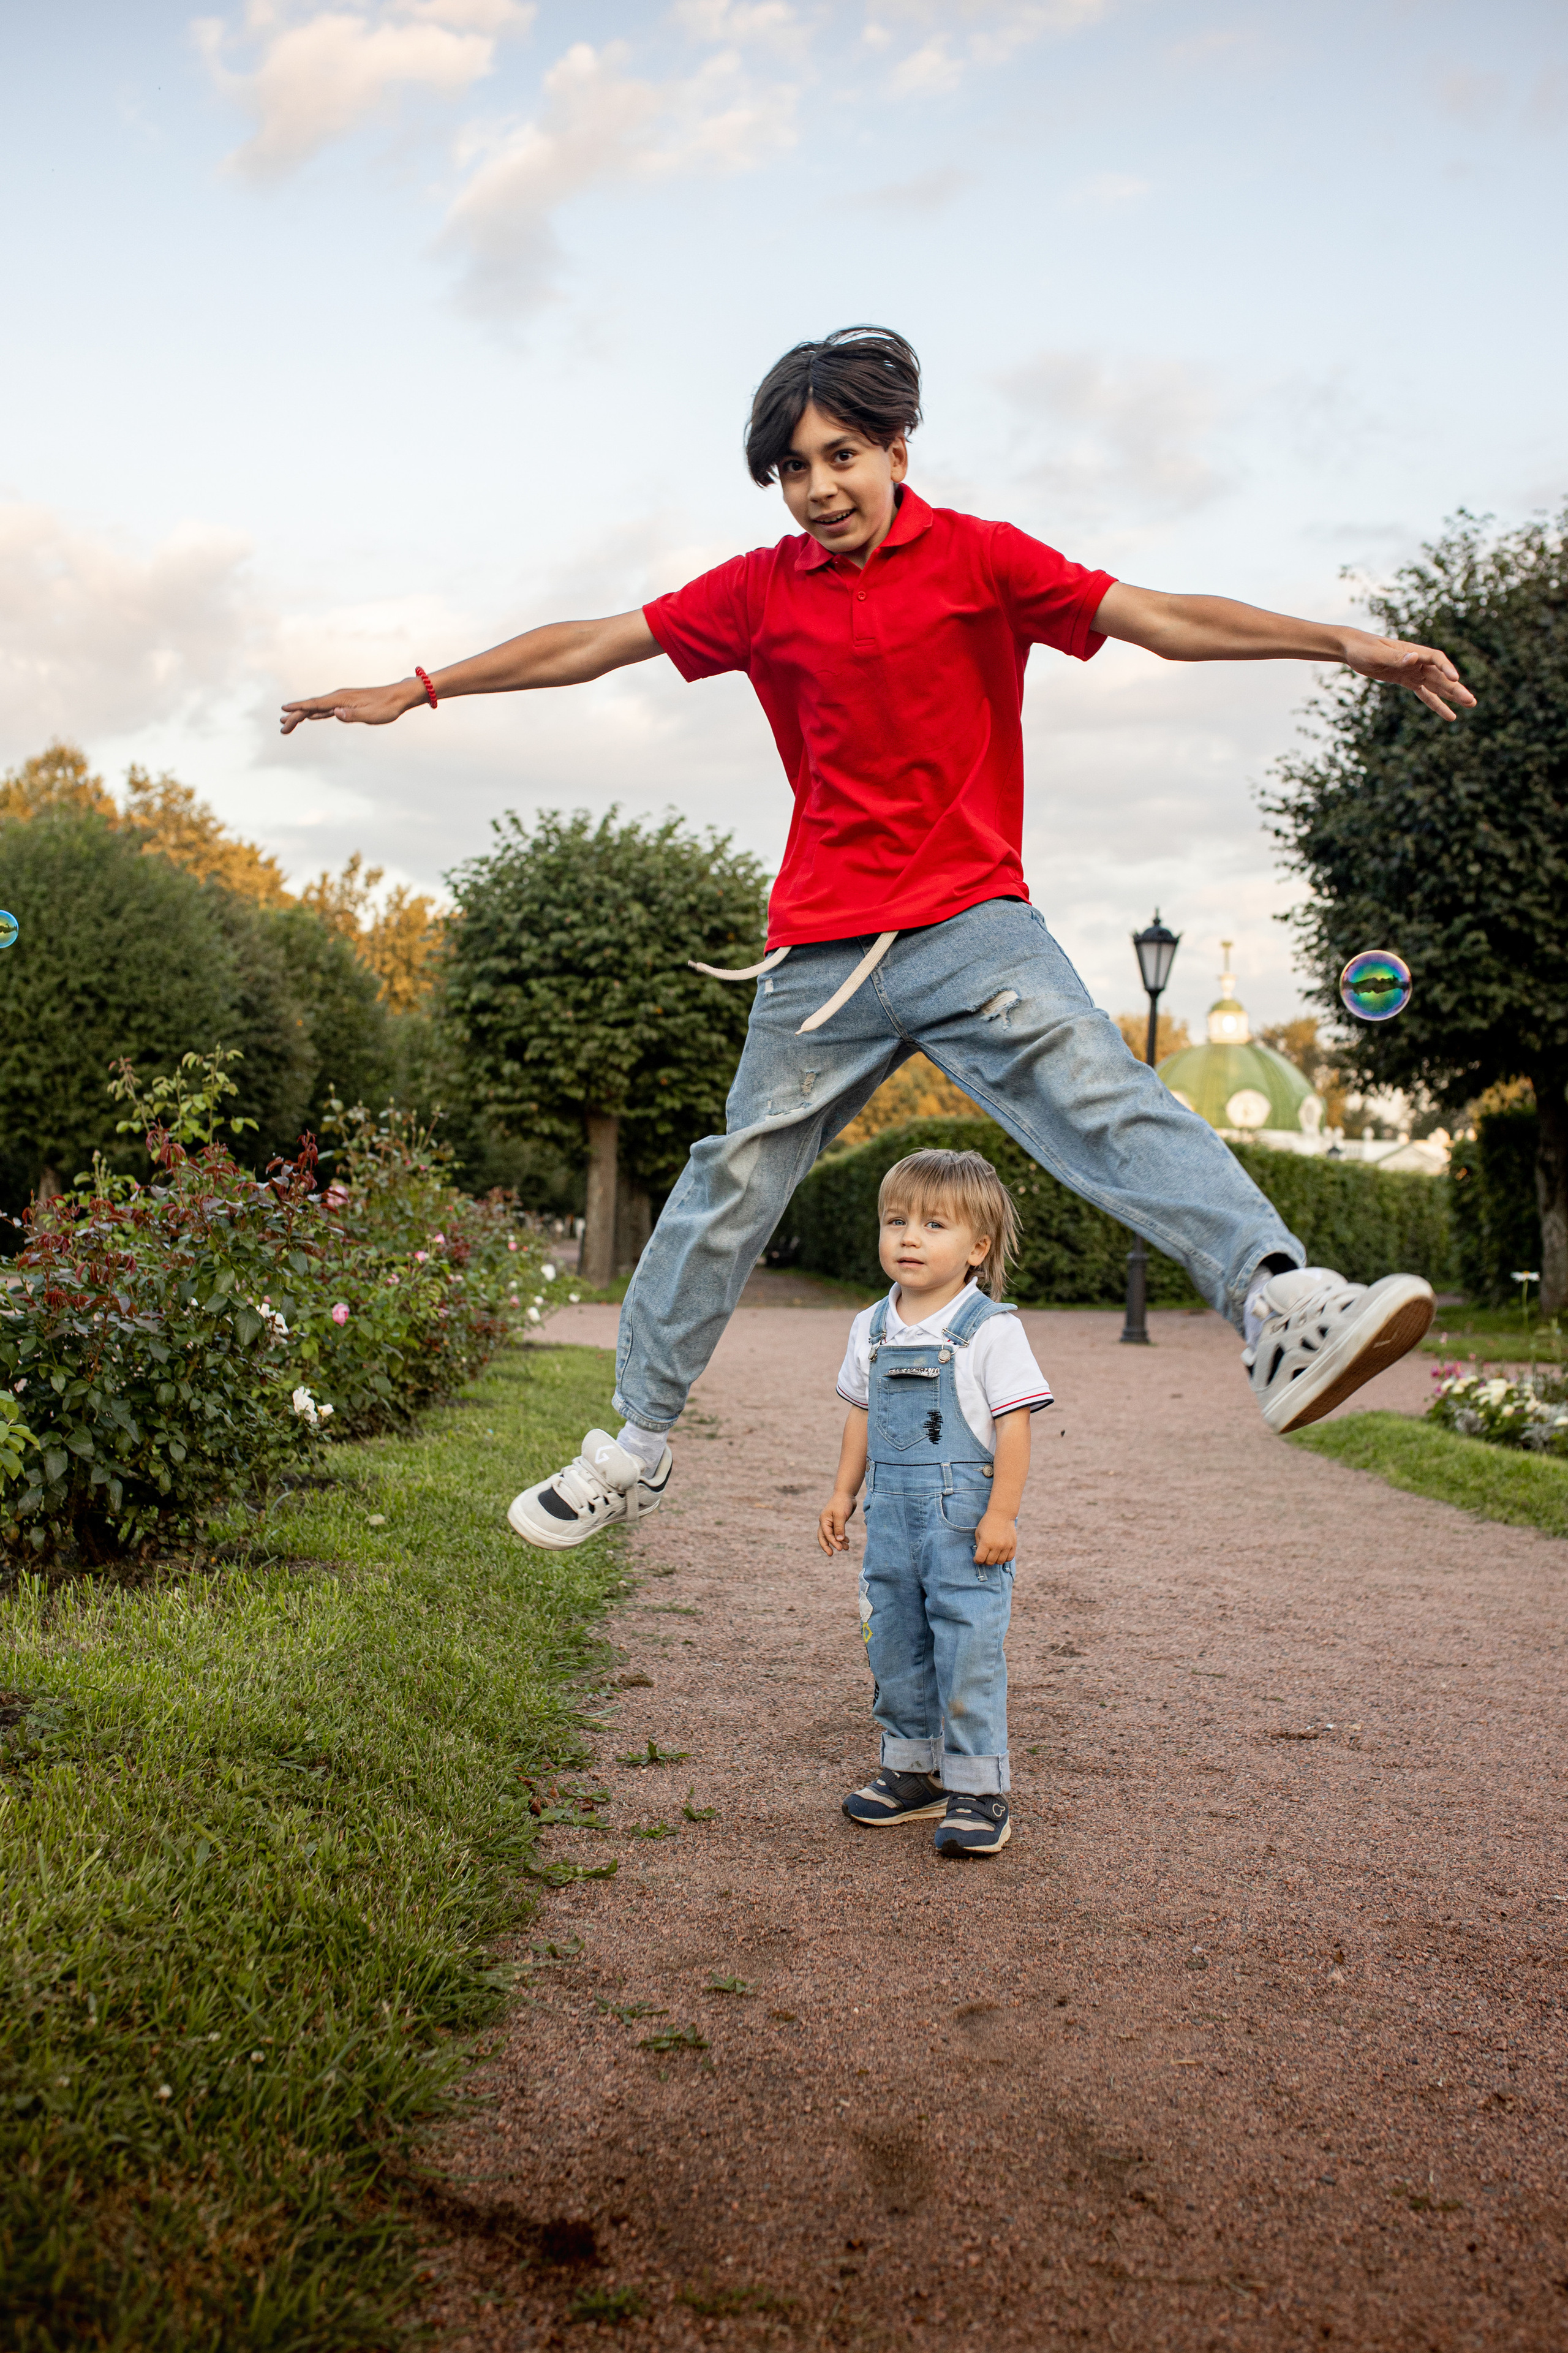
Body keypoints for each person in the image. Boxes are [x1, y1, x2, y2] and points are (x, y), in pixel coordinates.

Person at [281, 325, 1474, 1549]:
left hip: (973, 927)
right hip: (819, 956)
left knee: (1108, 1101)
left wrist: (1343, 644)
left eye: (838, 455)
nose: (817, 489)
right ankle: (634, 1445)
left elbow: (1159, 619)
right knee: (729, 1176)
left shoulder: (981, 560)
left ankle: (1282, 1306)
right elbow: (594, 643)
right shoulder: (757, 589)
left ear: (899, 446)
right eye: (792, 470)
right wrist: (419, 687)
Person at [820, 1147, 1047, 1858]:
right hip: (888, 1516)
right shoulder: (872, 1326)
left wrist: (1002, 1512)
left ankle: (980, 1788)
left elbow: (1014, 1425)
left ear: (977, 1247)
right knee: (893, 1640)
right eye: (896, 1221)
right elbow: (861, 1413)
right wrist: (841, 1491)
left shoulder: (989, 1329)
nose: (908, 1237)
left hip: (963, 1525)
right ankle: (912, 1770)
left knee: (966, 1646)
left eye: (933, 1224)